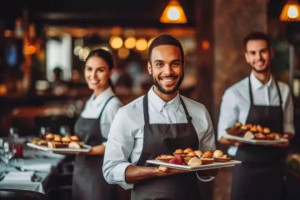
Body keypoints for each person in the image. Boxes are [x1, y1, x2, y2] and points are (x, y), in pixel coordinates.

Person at [103, 33, 216, 200]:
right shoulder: (128, 114)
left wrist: (212, 166)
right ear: (150, 68)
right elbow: (111, 169)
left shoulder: (199, 112)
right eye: (159, 64)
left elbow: (208, 165)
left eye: (175, 64)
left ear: (183, 65)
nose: (168, 71)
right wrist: (155, 171)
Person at [217, 31, 295, 200]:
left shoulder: (284, 91)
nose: (258, 57)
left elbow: (288, 128)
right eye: (253, 53)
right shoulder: (234, 93)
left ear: (271, 53)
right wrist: (235, 138)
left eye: (263, 51)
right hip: (246, 169)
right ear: (246, 57)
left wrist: (285, 138)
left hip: (275, 168)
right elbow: (222, 136)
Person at [72, 49, 123, 200]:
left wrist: (87, 151)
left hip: (99, 178)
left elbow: (118, 145)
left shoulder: (113, 105)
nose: (92, 76)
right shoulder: (91, 100)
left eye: (100, 70)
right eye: (89, 69)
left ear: (111, 72)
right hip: (81, 174)